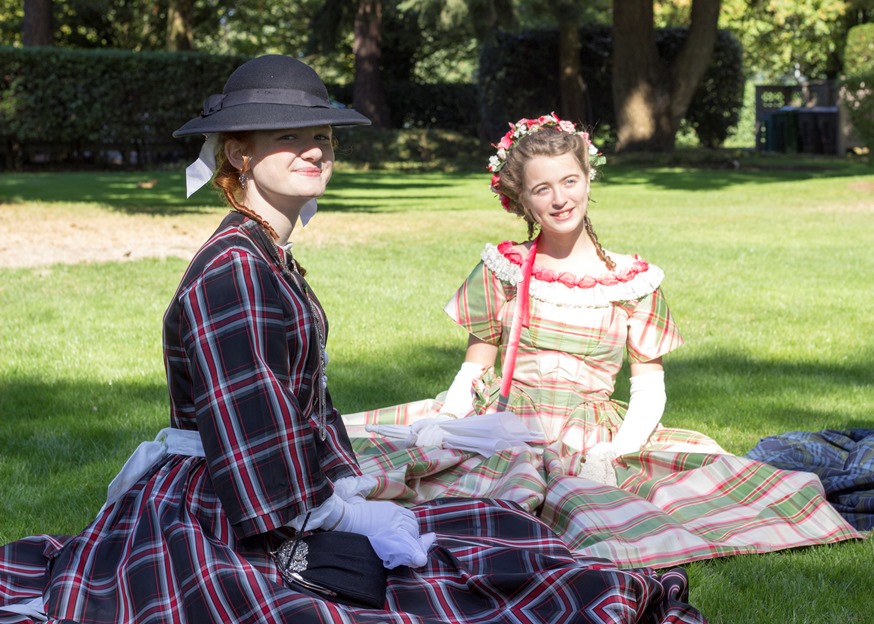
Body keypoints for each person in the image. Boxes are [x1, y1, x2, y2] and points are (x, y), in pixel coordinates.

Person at [0, 58, 709, 623]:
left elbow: (291, 409)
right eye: (286, 135)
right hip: (232, 514)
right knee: (441, 589)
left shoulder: (260, 251)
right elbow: (249, 441)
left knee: (491, 527)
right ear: (239, 154)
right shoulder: (237, 273)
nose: (313, 147)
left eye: (322, 136)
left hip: (262, 496)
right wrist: (338, 517)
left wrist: (344, 497)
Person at [344, 113, 862, 569]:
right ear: (520, 197)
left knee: (683, 496)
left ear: (589, 178)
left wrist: (619, 450)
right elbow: (476, 364)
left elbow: (648, 385)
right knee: (401, 471)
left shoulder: (635, 281)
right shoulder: (503, 268)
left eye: (570, 180)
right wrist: (452, 422)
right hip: (505, 418)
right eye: (541, 188)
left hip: (589, 428)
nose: (559, 197)